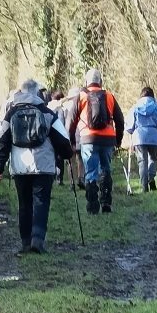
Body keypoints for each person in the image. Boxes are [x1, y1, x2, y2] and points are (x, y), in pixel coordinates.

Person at [0, 79, 72, 254]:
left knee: (24, 204)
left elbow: (2, 140)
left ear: (21, 92)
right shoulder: (47, 113)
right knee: (41, 202)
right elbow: (63, 141)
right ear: (37, 93)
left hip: (20, 167)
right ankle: (38, 240)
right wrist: (67, 154)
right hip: (43, 166)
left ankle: (25, 243)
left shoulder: (11, 113)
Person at [64, 69, 125, 214]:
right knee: (106, 170)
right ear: (100, 81)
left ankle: (92, 206)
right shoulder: (109, 96)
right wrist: (118, 140)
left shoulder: (81, 96)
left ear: (86, 82)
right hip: (108, 139)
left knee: (91, 172)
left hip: (88, 139)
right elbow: (120, 120)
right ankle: (106, 202)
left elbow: (70, 122)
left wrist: (71, 141)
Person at [125, 86, 157, 192]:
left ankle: (144, 187)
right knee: (153, 159)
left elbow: (129, 125)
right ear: (152, 96)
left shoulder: (135, 107)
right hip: (154, 136)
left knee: (142, 161)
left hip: (139, 137)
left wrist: (131, 131)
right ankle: (151, 177)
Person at [47, 90, 65, 184]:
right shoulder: (62, 108)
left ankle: (52, 175)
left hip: (50, 134)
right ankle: (60, 178)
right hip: (60, 133)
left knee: (51, 155)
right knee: (60, 157)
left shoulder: (48, 107)